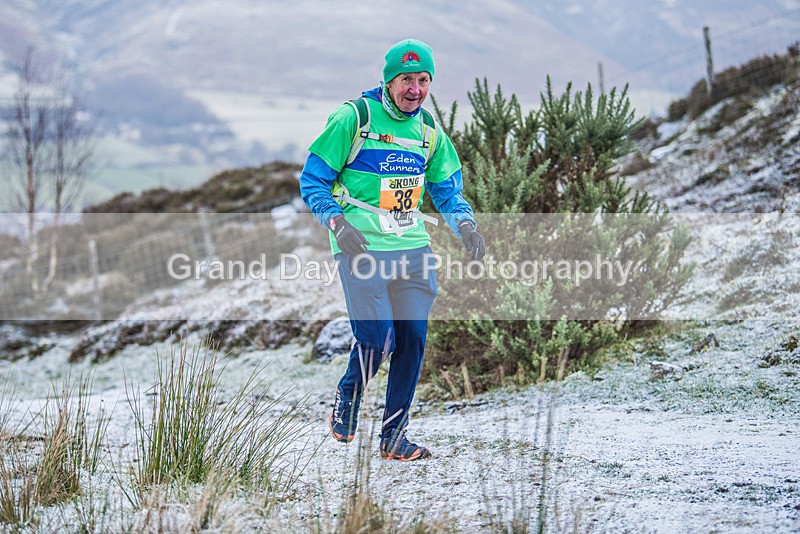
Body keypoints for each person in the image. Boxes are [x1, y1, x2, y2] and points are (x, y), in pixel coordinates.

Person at [300, 38, 485, 461]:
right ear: (389, 81)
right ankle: (349, 392)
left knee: (412, 339)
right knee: (377, 339)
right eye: (406, 80)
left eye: (423, 80)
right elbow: (312, 181)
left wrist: (466, 225)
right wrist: (337, 222)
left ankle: (394, 437)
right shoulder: (355, 118)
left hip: (413, 247)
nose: (415, 90)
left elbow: (447, 189)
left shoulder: (429, 132)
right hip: (361, 246)